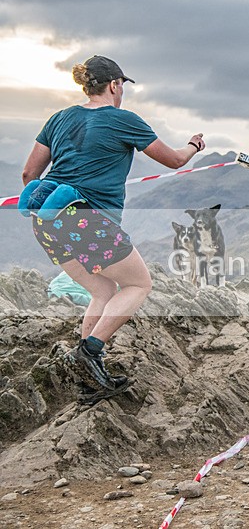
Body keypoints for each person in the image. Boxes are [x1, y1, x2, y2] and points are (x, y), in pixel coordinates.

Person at [21, 55, 206, 405]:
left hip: (46, 222)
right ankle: (90, 351)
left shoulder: (59, 118)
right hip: (86, 220)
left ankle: (88, 377)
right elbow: (175, 160)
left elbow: (30, 175)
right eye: (122, 86)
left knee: (103, 289)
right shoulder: (124, 120)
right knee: (138, 284)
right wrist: (194, 145)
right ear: (114, 85)